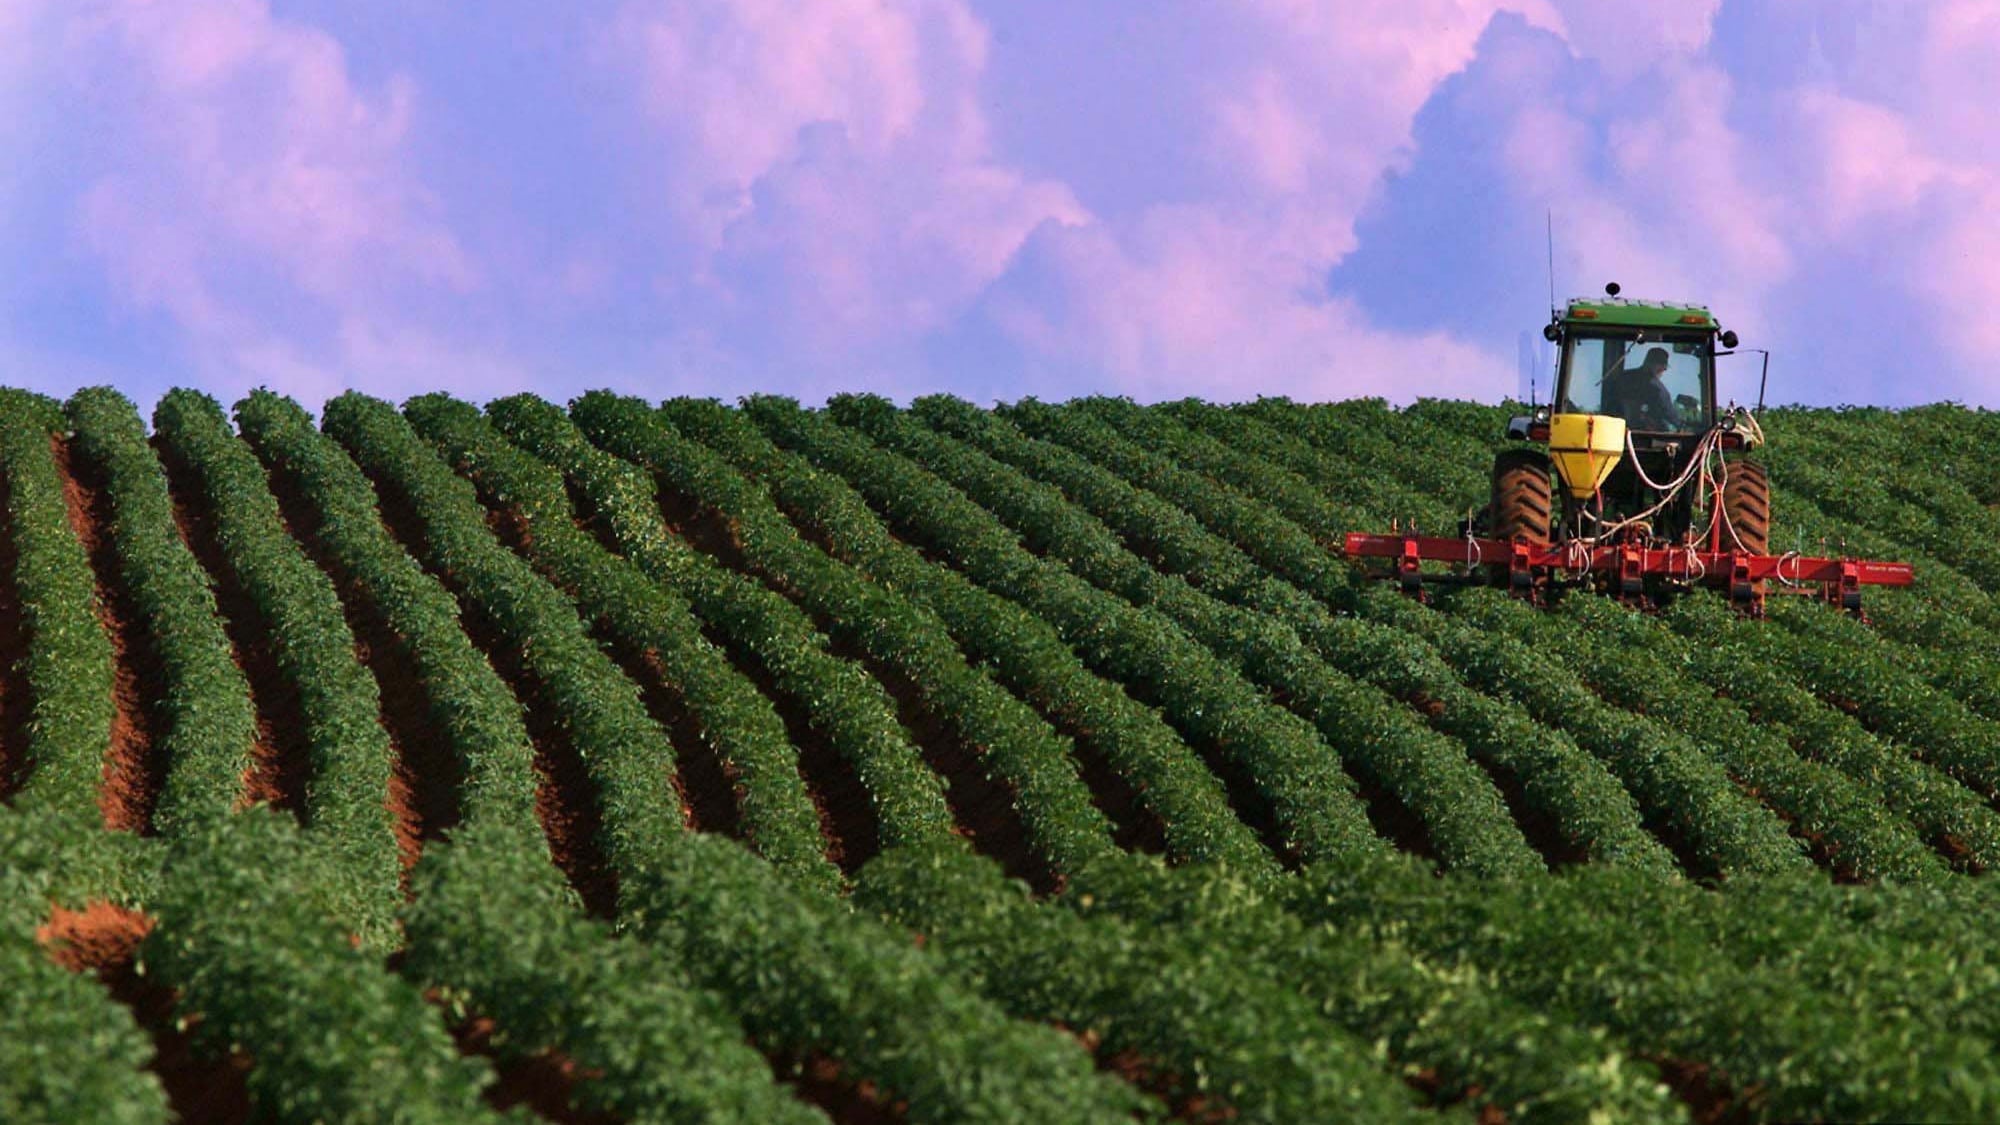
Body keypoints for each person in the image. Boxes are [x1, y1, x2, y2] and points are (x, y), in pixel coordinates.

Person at [1601, 346, 1680, 428]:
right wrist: (1680, 425)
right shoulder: (1657, 389)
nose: (1664, 370)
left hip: (1615, 430)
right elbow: (1671, 416)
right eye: (1663, 366)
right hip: (1646, 435)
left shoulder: (1622, 378)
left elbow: (1608, 407)